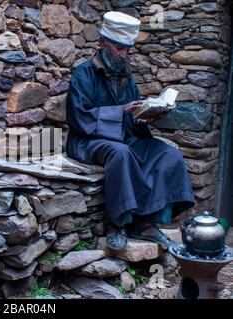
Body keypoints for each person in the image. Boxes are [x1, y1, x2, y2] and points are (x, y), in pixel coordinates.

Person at [65, 11, 195, 251]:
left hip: (123, 137)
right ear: (102, 43)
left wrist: (143, 117)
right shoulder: (83, 74)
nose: (123, 54)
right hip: (87, 141)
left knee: (169, 155)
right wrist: (120, 111)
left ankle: (145, 222)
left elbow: (131, 119)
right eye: (118, 48)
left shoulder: (127, 77)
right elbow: (78, 116)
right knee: (121, 153)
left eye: (127, 49)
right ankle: (119, 223)